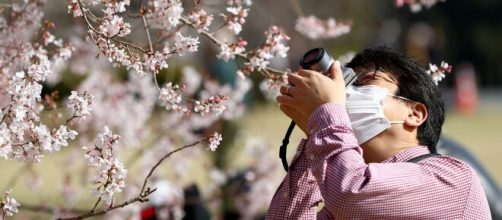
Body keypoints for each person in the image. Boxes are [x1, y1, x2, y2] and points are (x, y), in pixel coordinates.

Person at [266, 46, 491, 219]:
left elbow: (350, 192)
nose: (346, 95)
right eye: (347, 83)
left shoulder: (453, 179)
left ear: (415, 113)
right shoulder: (342, 200)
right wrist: (315, 132)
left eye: (364, 82)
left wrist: (326, 117)